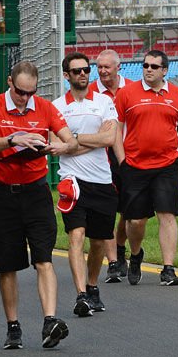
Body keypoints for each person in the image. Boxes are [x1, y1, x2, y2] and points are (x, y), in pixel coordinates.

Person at [0, 61, 77, 350]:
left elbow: (69, 139)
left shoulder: (44, 108)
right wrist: (13, 138)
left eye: (30, 93)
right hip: (4, 193)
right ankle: (13, 326)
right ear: (10, 82)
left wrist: (61, 146)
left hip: (36, 193)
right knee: (7, 265)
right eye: (20, 92)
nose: (24, 98)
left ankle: (50, 320)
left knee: (43, 258)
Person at [115, 50, 178, 287]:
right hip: (134, 166)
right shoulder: (127, 94)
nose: (149, 69)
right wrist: (122, 159)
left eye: (154, 66)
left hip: (166, 165)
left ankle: (168, 268)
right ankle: (135, 255)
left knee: (167, 215)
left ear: (165, 70)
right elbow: (116, 129)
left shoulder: (176, 96)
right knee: (136, 221)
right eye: (145, 65)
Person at [53, 53, 119, 318]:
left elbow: (110, 137)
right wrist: (90, 141)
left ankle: (92, 285)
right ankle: (81, 294)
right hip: (72, 181)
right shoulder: (57, 106)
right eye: (76, 71)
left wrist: (75, 140)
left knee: (100, 241)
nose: (83, 74)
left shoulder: (104, 102)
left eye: (86, 70)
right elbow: (56, 147)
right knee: (76, 236)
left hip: (102, 180)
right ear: (66, 75)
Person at [88, 49, 130, 284]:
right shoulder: (91, 92)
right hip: (99, 157)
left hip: (128, 156)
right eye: (99, 67)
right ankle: (113, 262)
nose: (103, 71)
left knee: (128, 213)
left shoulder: (132, 88)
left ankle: (121, 247)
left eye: (107, 67)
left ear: (118, 67)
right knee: (105, 210)